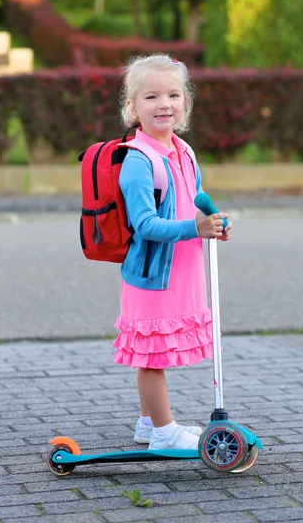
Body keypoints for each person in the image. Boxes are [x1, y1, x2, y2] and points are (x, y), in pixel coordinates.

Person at [112, 54, 233, 451]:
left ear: (185, 103)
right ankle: (164, 433)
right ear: (132, 108)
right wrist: (193, 228)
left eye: (173, 95)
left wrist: (213, 222)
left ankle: (149, 423)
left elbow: (194, 201)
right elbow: (145, 225)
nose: (164, 104)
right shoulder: (138, 161)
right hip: (152, 275)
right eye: (151, 97)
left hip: (182, 271)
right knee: (151, 356)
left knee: (156, 351)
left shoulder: (183, 151)